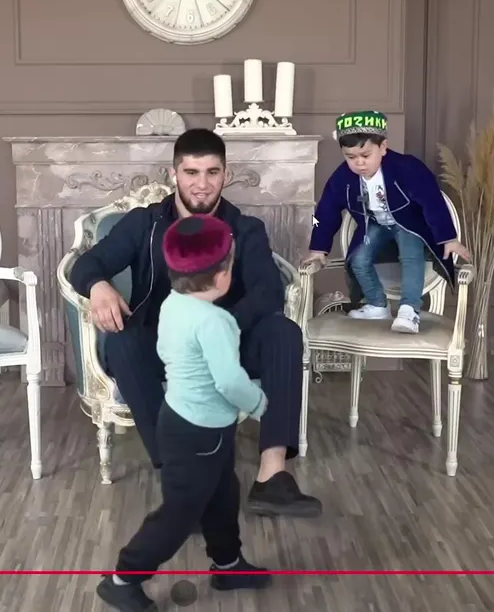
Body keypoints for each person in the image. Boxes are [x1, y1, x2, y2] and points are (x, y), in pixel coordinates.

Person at [69, 128, 321, 518]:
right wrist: (98, 286)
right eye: (191, 172)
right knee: (122, 343)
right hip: (163, 345)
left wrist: (217, 330)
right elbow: (87, 263)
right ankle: (183, 481)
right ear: (174, 174)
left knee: (284, 332)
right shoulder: (144, 223)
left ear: (226, 174)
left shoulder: (246, 228)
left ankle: (272, 477)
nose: (201, 184)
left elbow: (268, 292)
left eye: (212, 172)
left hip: (231, 343)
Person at [96, 214, 272, 611]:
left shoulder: (173, 305)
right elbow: (230, 381)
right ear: (222, 275)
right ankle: (123, 578)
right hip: (199, 433)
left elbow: (164, 351)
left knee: (223, 496)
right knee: (178, 515)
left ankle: (228, 564)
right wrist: (259, 404)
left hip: (188, 424)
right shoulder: (216, 321)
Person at [303, 111, 471, 333]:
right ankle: (377, 305)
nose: (359, 163)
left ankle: (409, 310)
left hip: (409, 223)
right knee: (359, 259)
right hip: (375, 223)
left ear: (382, 147)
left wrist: (448, 238)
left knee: (410, 254)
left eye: (366, 155)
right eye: (351, 157)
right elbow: (323, 213)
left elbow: (434, 202)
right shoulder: (341, 178)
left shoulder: (408, 168)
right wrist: (318, 248)